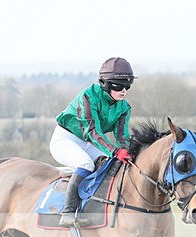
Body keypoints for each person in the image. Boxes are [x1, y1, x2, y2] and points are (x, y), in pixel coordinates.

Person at [49, 57, 135, 226]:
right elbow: (92, 131)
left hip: (89, 143)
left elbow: (122, 136)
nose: (124, 90)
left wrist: (131, 151)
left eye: (128, 85)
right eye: (118, 85)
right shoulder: (88, 97)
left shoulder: (124, 107)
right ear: (105, 83)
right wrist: (116, 151)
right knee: (86, 164)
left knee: (109, 164)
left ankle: (98, 205)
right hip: (66, 139)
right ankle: (68, 212)